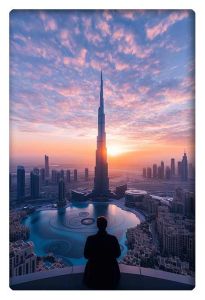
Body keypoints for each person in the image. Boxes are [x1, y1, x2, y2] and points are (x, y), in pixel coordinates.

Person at [83, 216, 121, 289]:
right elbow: (118, 254)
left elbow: (86, 255)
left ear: (97, 225)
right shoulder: (113, 239)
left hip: (93, 273)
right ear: (106, 225)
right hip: (110, 273)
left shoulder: (90, 239)